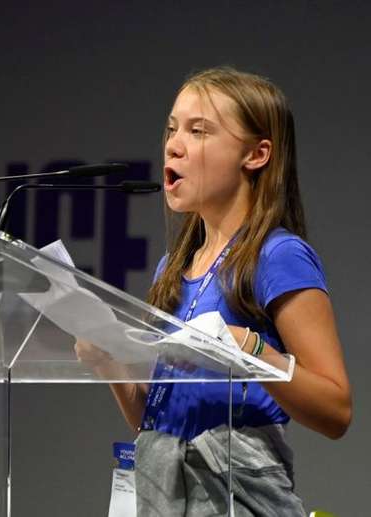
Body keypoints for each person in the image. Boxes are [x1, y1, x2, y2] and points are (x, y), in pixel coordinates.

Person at [76, 67, 352, 516]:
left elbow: (336, 409)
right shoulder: (174, 267)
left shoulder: (277, 256)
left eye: (198, 131)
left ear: (257, 154)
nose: (173, 144)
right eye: (172, 128)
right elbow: (158, 421)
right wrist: (108, 360)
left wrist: (250, 347)